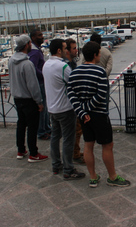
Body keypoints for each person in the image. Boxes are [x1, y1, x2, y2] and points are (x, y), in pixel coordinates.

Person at [67, 41, 130, 188]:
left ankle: (93, 177)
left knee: (88, 145)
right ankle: (112, 177)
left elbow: (70, 93)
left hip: (83, 116)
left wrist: (82, 112)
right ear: (95, 55)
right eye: (99, 53)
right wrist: (88, 109)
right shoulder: (100, 72)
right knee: (107, 145)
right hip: (99, 114)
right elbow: (101, 94)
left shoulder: (74, 72)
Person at [43, 39, 85, 180]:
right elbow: (73, 82)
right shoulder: (62, 66)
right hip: (65, 108)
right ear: (59, 50)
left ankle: (56, 165)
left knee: (55, 137)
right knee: (68, 139)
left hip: (52, 108)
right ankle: (68, 169)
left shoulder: (46, 65)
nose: (67, 50)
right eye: (65, 48)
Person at [9, 34, 48, 163]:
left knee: (21, 124)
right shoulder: (27, 64)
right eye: (30, 43)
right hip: (29, 99)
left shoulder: (11, 61)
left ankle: (21, 150)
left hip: (17, 97)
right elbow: (33, 85)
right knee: (32, 127)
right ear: (26, 45)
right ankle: (34, 153)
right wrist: (39, 101)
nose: (31, 45)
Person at [28, 29, 51, 140]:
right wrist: (43, 74)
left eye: (42, 34)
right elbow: (33, 67)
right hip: (40, 83)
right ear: (33, 38)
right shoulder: (35, 52)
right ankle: (42, 131)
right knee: (42, 108)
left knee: (45, 108)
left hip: (41, 82)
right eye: (39, 35)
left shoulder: (36, 50)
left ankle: (46, 128)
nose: (42, 37)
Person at [65, 38, 84, 164]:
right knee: (76, 130)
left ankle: (75, 151)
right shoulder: (67, 66)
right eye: (74, 48)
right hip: (71, 102)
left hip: (72, 101)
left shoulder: (72, 64)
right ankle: (75, 154)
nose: (76, 50)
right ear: (67, 50)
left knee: (75, 130)